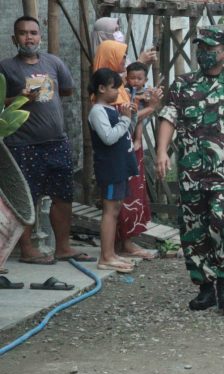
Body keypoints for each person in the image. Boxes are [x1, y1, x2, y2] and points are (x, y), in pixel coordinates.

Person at [156, 27, 224, 313]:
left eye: (210, 48)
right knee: (193, 229)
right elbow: (168, 117)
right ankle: (204, 288)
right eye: (200, 48)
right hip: (191, 174)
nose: (203, 53)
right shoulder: (183, 85)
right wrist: (161, 151)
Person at [1, 16, 96, 265]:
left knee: (62, 196)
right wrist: (19, 98)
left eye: (33, 33)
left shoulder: (54, 62)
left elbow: (67, 90)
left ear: (40, 36)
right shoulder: (6, 67)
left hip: (57, 142)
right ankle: (27, 249)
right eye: (23, 33)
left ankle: (63, 247)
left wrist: (48, 90)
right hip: (22, 144)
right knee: (25, 197)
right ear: (14, 38)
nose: (28, 38)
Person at [94, 41, 161, 260]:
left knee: (127, 198)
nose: (125, 60)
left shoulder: (118, 87)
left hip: (127, 150)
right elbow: (122, 122)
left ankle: (122, 244)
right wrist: (150, 109)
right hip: (116, 157)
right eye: (121, 56)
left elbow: (128, 118)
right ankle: (116, 248)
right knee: (117, 204)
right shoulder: (107, 92)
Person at [87, 68, 138, 274]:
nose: (118, 91)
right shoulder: (97, 111)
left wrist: (128, 116)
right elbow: (108, 137)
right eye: (114, 87)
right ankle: (105, 257)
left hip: (119, 166)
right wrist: (125, 119)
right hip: (110, 167)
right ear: (101, 88)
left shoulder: (110, 109)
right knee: (109, 211)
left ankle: (110, 253)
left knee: (115, 208)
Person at [119, 62, 163, 259]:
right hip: (124, 148)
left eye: (139, 79)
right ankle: (124, 242)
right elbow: (132, 116)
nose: (135, 81)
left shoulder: (132, 90)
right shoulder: (120, 91)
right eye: (132, 78)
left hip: (131, 146)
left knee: (134, 193)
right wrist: (151, 106)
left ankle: (125, 240)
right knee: (127, 195)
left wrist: (151, 101)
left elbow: (138, 116)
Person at [91, 17, 156, 65]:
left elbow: (130, 73)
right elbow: (122, 78)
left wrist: (146, 62)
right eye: (115, 30)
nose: (119, 33)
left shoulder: (118, 54)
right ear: (103, 35)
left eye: (118, 29)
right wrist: (140, 61)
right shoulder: (103, 59)